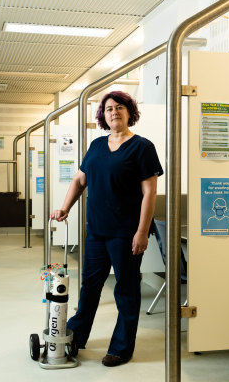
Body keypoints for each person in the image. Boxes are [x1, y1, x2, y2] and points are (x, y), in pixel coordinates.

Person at [50, 91, 163, 367]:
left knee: (125, 290)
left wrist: (141, 231)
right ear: (103, 116)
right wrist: (65, 207)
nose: (114, 112)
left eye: (120, 107)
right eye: (109, 109)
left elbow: (150, 194)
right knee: (89, 287)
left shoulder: (142, 148)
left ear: (129, 112)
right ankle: (76, 336)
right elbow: (79, 180)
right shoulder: (97, 146)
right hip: (97, 232)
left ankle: (121, 348)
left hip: (126, 233)